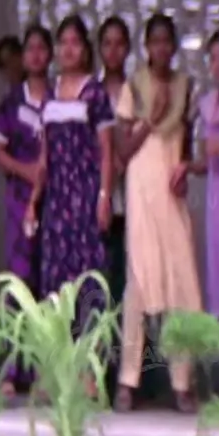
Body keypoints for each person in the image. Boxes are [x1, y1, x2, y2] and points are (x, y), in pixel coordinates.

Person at [113, 14, 202, 413]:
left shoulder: (187, 85)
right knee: (140, 283)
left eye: (168, 41)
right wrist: (151, 118)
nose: (162, 48)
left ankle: (183, 382)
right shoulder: (133, 86)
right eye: (155, 41)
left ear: (175, 45)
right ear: (146, 46)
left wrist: (184, 170)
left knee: (182, 284)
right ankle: (128, 381)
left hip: (171, 192)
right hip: (141, 189)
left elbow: (186, 143)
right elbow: (122, 151)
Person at [25, 15, 114, 339]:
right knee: (56, 280)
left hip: (85, 199)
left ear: (85, 49)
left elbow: (107, 152)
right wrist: (33, 202)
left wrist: (104, 196)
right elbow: (44, 158)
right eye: (63, 43)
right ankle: (58, 359)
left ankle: (90, 360)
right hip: (56, 203)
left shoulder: (95, 93)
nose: (68, 49)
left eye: (75, 42)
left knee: (87, 279)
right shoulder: (49, 97)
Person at [0, 24, 52, 396]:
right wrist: (25, 170)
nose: (36, 54)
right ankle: (14, 371)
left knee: (49, 284)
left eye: (42, 47)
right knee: (19, 284)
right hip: (19, 204)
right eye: (30, 48)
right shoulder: (12, 103)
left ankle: (46, 368)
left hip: (55, 204)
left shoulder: (60, 99)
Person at [97, 16, 131, 317]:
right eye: (107, 43)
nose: (113, 51)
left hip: (132, 193)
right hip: (100, 193)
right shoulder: (91, 93)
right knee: (101, 272)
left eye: (119, 44)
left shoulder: (136, 91)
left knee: (127, 272)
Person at [191, 30, 219, 321]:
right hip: (215, 191)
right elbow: (205, 160)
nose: (218, 64)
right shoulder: (208, 102)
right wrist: (187, 166)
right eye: (213, 58)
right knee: (216, 256)